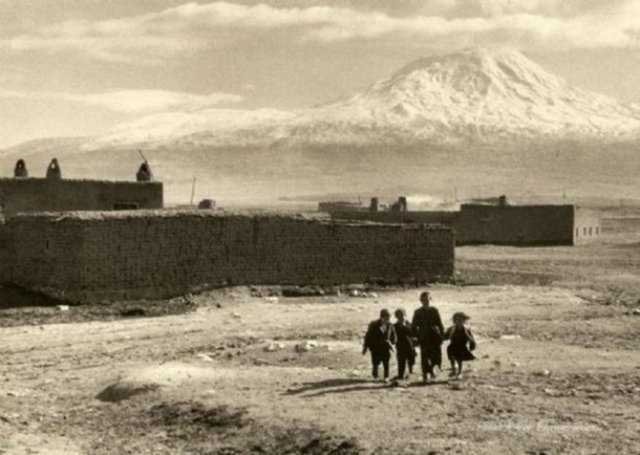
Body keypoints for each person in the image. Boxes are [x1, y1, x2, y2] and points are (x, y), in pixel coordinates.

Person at [411, 291, 445, 383]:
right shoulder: (418, 312)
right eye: (424, 300)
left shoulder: (434, 310)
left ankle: (434, 373)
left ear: (431, 299)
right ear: (421, 301)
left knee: (436, 356)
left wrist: (442, 335)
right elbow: (413, 326)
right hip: (424, 337)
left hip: (434, 337)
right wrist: (415, 337)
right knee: (425, 357)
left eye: (428, 299)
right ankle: (425, 375)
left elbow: (440, 323)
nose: (426, 301)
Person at [363, 308, 396, 382]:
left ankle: (386, 377)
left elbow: (394, 336)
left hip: (385, 347)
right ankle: (375, 377)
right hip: (375, 347)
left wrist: (392, 342)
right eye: (387, 317)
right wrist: (365, 347)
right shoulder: (374, 324)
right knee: (375, 362)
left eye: (389, 317)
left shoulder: (390, 325)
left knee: (386, 362)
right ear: (382, 316)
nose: (388, 318)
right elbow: (368, 336)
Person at [444, 312, 476, 379]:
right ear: (454, 321)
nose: (459, 321)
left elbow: (471, 340)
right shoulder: (451, 328)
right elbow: (445, 336)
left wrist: (467, 335)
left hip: (461, 346)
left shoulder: (466, 329)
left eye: (461, 320)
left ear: (464, 321)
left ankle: (459, 372)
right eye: (457, 320)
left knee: (459, 359)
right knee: (451, 357)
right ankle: (453, 369)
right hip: (452, 345)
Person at [393, 308, 416, 380]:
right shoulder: (394, 326)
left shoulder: (408, 324)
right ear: (396, 317)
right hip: (400, 346)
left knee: (411, 359)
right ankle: (401, 375)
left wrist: (415, 340)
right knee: (401, 361)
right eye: (399, 316)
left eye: (402, 315)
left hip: (410, 345)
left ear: (404, 315)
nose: (401, 317)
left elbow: (414, 333)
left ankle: (410, 372)